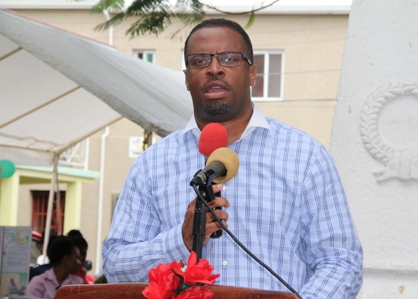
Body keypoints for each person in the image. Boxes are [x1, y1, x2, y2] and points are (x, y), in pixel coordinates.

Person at [102, 18, 363, 298]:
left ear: (252, 74)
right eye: (200, 61)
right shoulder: (152, 165)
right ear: (187, 78)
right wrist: (181, 240)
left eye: (229, 58)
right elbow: (116, 266)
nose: (214, 68)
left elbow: (341, 261)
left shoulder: (306, 156)